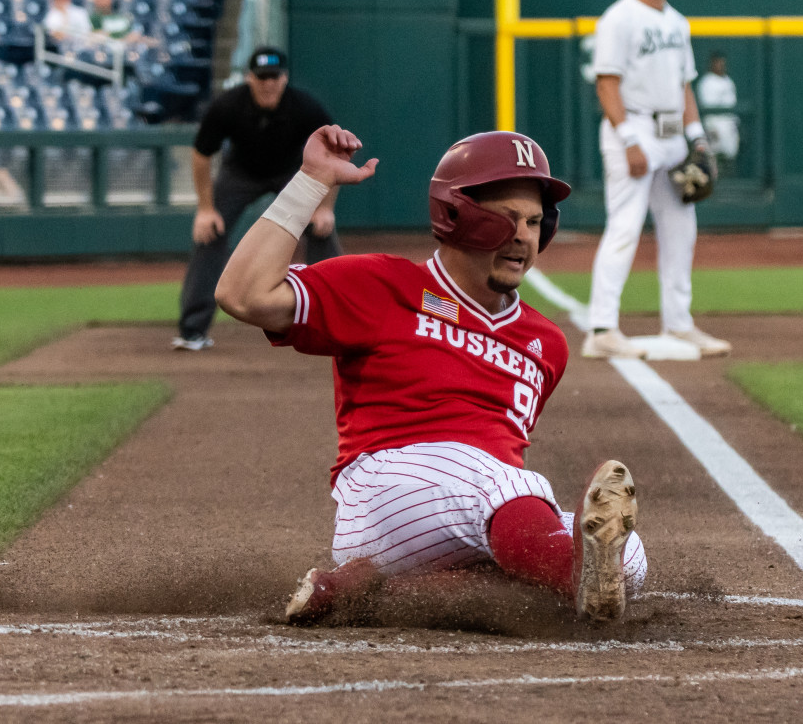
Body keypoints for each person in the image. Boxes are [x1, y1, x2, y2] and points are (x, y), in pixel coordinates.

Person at [214, 125, 646, 624]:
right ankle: (572, 574)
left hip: (474, 514)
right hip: (381, 491)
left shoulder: (546, 342)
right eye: (507, 218)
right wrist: (311, 181)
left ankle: (369, 589)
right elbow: (242, 295)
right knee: (507, 487)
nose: (524, 236)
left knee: (630, 557)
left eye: (533, 220)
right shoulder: (382, 284)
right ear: (457, 215)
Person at [583, 0, 731, 359]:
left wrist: (697, 137)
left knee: (682, 229)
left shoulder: (677, 22)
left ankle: (679, 324)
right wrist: (629, 139)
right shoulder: (619, 18)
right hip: (634, 129)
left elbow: (684, 85)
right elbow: (607, 82)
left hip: (671, 137)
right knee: (625, 227)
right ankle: (602, 328)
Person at [172, 46, 339, 350]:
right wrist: (206, 209)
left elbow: (333, 155)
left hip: (291, 172)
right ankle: (192, 330)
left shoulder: (303, 106)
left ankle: (339, 320)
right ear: (249, 78)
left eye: (274, 77)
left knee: (321, 229)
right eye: (262, 77)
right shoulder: (229, 105)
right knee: (209, 232)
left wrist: (325, 208)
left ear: (284, 78)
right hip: (241, 174)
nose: (268, 84)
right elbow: (201, 154)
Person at [695, 51, 740, 172]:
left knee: (730, 161)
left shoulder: (728, 81)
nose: (720, 65)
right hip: (715, 127)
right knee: (714, 161)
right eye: (717, 62)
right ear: (712, 63)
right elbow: (706, 109)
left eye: (722, 63)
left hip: (729, 126)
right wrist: (710, 128)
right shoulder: (706, 82)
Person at [88, 0, 155, 45]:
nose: (104, 2)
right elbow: (95, 36)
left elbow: (133, 34)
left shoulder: (123, 17)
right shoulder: (94, 18)